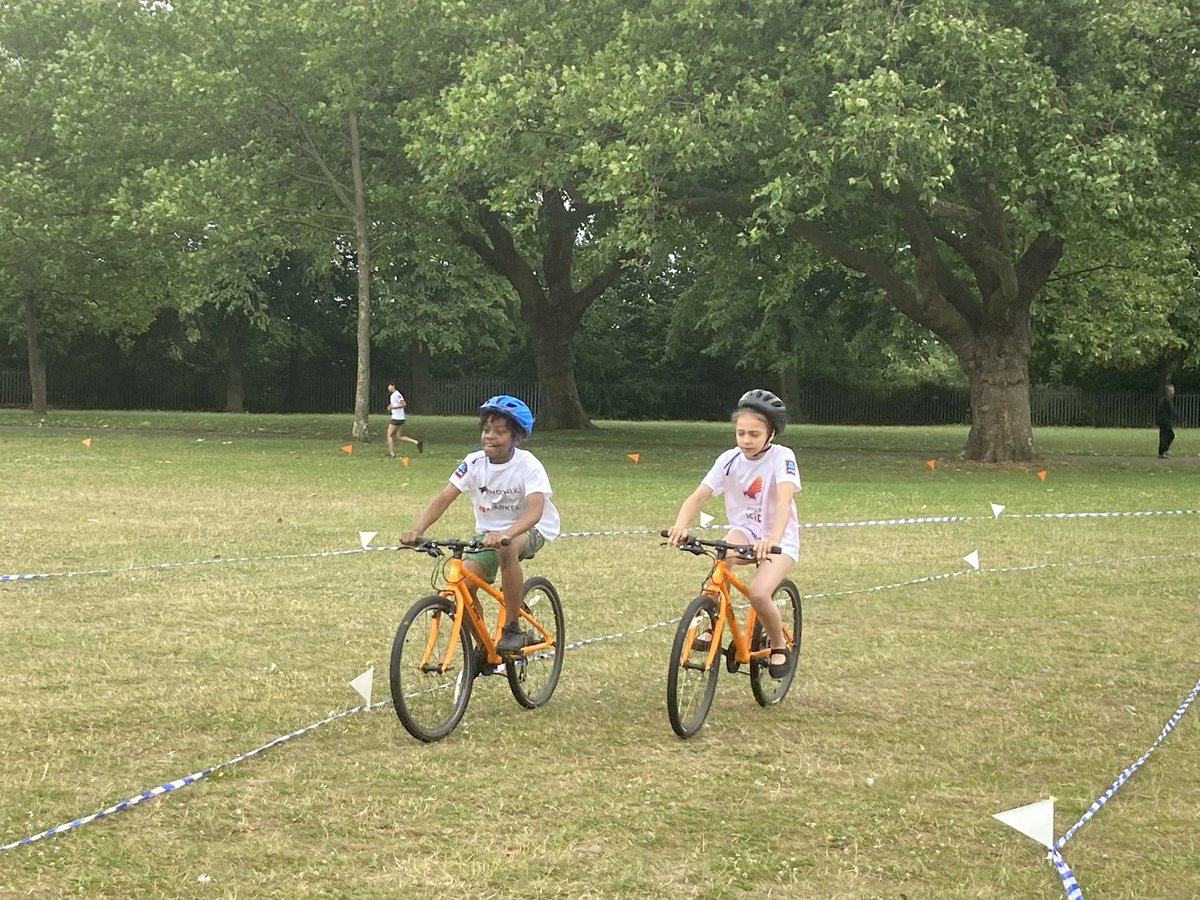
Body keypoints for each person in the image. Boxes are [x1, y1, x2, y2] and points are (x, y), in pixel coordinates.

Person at [399, 395, 559, 653]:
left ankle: (512, 628)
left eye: (499, 432)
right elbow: (445, 496)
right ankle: (484, 646)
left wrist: (506, 533)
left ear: (516, 438)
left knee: (506, 548)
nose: (489, 436)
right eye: (486, 430)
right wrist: (418, 530)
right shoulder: (473, 462)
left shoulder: (528, 465)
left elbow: (534, 512)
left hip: (529, 529)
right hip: (487, 535)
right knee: (463, 584)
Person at [666, 389, 801, 679]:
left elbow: (785, 501)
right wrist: (681, 524)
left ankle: (778, 645)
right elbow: (698, 496)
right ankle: (711, 625)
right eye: (741, 433)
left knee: (758, 592)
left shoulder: (782, 457)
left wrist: (773, 540)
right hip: (745, 531)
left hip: (779, 537)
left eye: (754, 434)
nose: (746, 440)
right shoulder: (728, 459)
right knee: (719, 564)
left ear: (771, 434)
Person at [386, 381, 424, 458]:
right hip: (400, 418)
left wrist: (393, 407)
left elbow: (403, 404)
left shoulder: (397, 394)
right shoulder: (393, 395)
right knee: (398, 436)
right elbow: (395, 404)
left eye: (389, 386)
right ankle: (416, 442)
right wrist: (390, 407)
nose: (388, 388)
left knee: (389, 434)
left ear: (393, 386)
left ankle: (392, 453)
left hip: (397, 418)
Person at [1157, 383, 1180, 459]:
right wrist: (1178, 418)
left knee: (1167, 436)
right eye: (1172, 390)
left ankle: (1162, 452)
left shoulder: (1167, 399)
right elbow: (1171, 410)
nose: (1173, 391)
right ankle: (1162, 452)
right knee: (1167, 436)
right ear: (1167, 391)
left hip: (1165, 421)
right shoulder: (1166, 400)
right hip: (1164, 421)